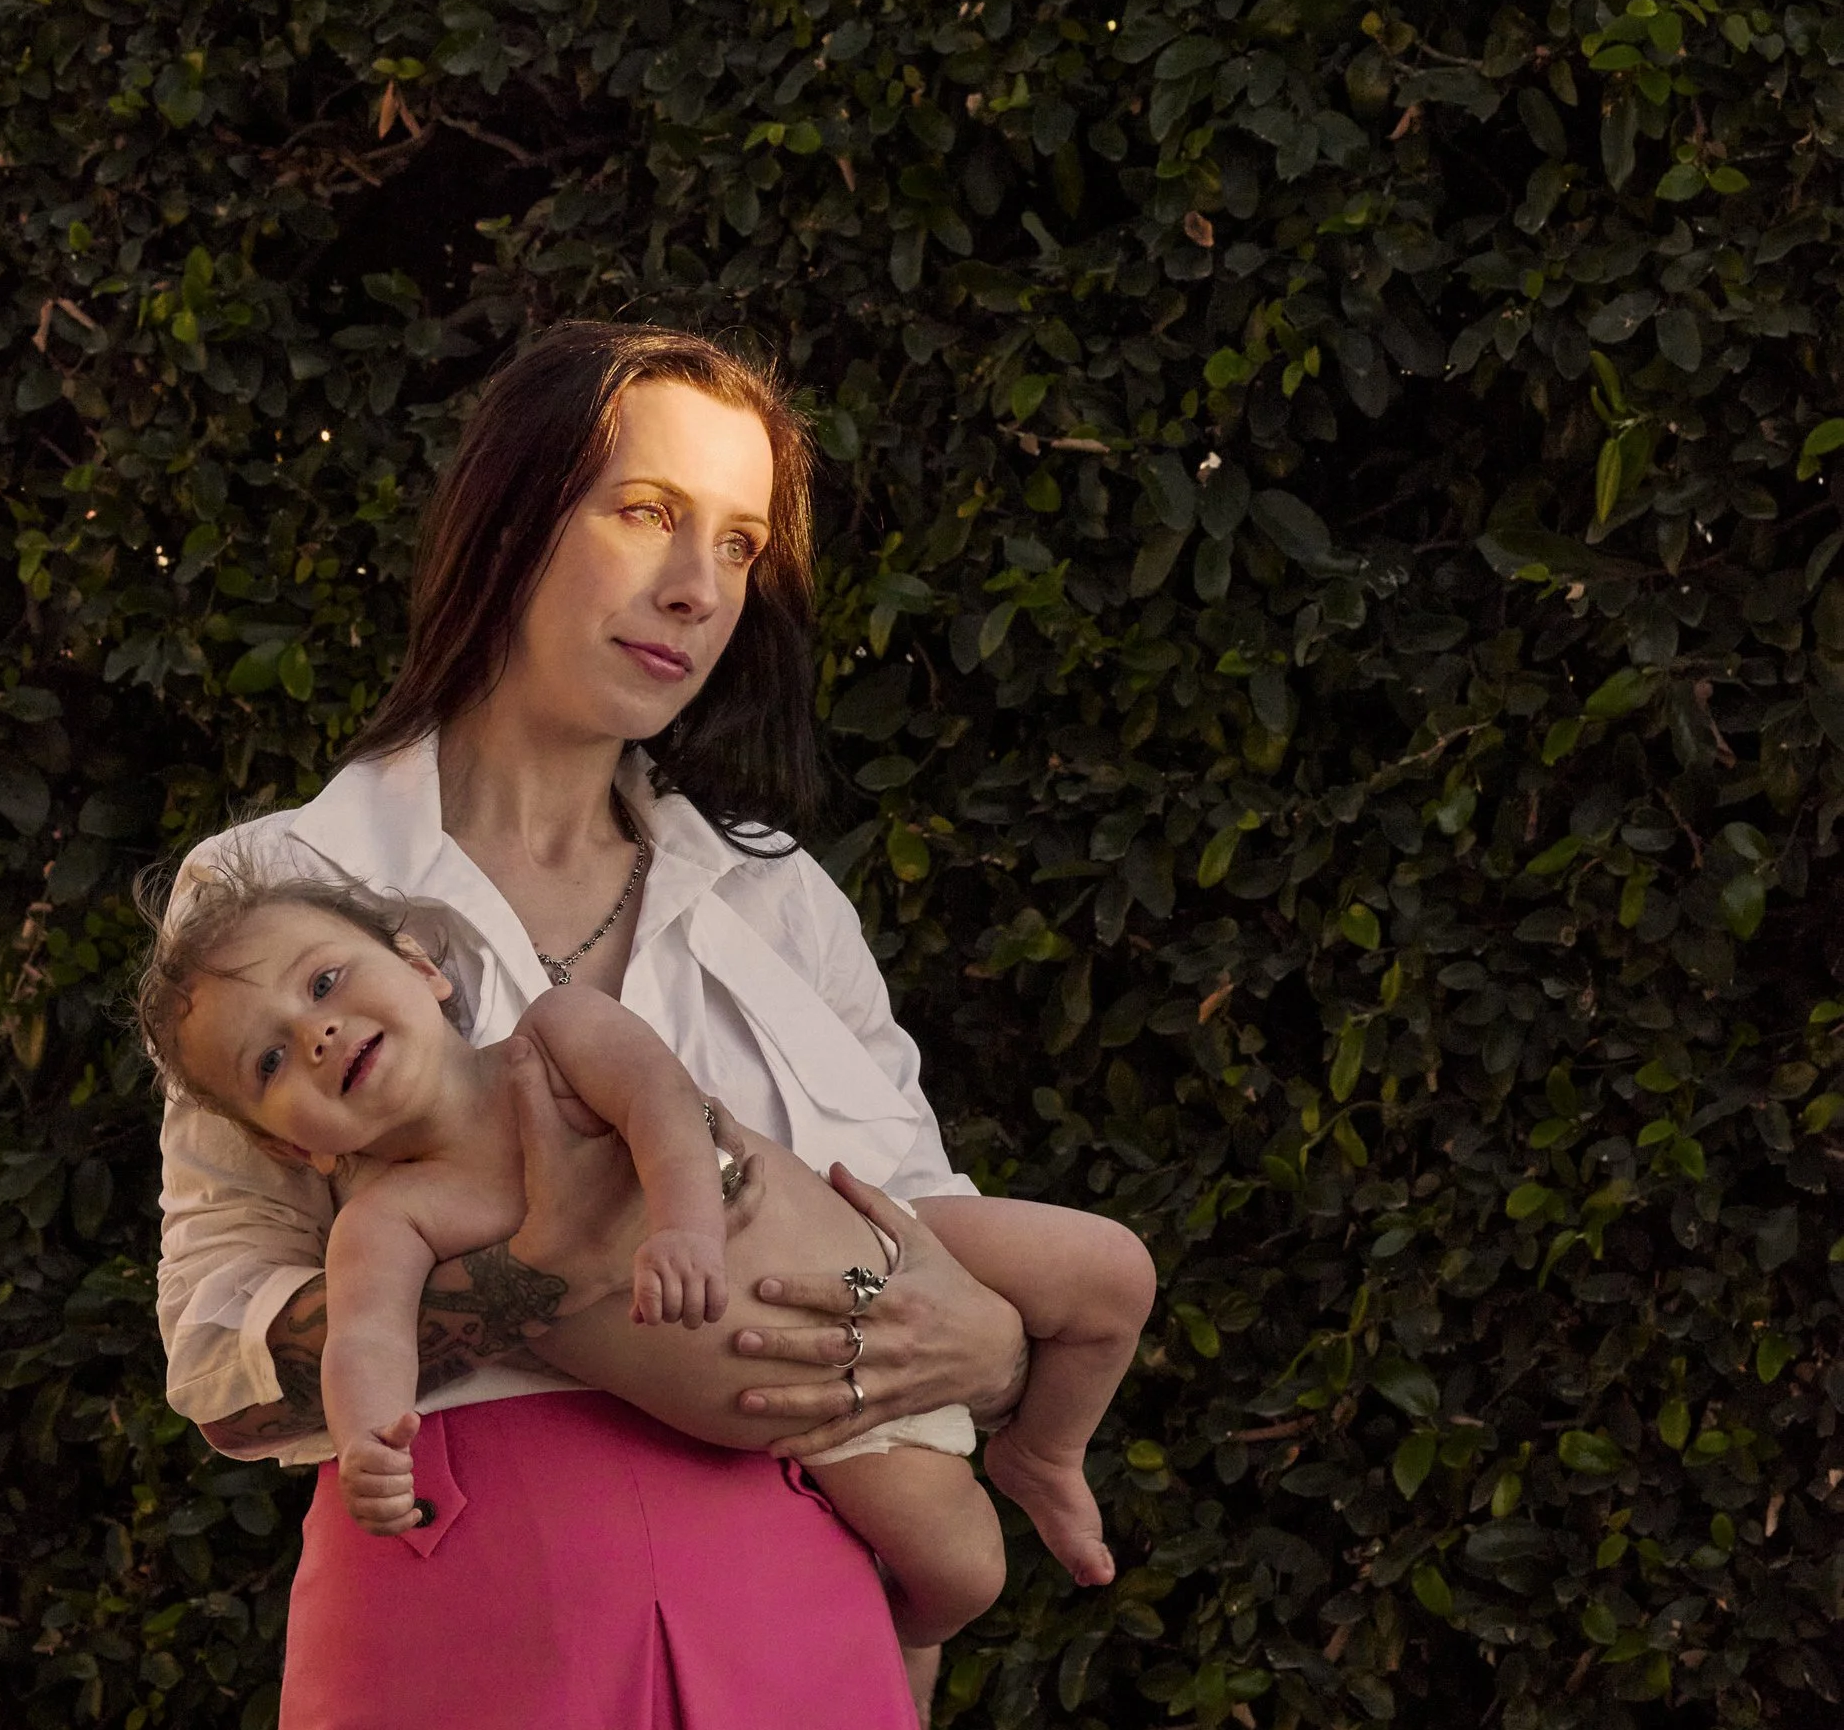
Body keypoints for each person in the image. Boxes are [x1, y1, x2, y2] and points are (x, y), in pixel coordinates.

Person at [155, 322, 1157, 1727]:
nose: (697, 588)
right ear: (507, 522)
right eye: (645, 513)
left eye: (739, 545)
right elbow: (221, 1369)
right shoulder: (272, 890)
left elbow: (932, 1247)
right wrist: (543, 1281)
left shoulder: (778, 898)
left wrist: (990, 1357)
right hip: (465, 1611)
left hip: (804, 1610)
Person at [140, 859, 1150, 1652]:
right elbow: (365, 1337)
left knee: (1112, 1273)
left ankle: (1046, 1452)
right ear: (294, 1148)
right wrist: (370, 1441)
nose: (315, 1033)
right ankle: (889, 1642)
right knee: (965, 1573)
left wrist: (683, 1225)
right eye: (269, 1060)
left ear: (420, 967)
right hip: (827, 1418)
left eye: (324, 982)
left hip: (884, 1240)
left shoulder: (556, 1035)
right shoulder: (393, 1218)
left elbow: (661, 1100)